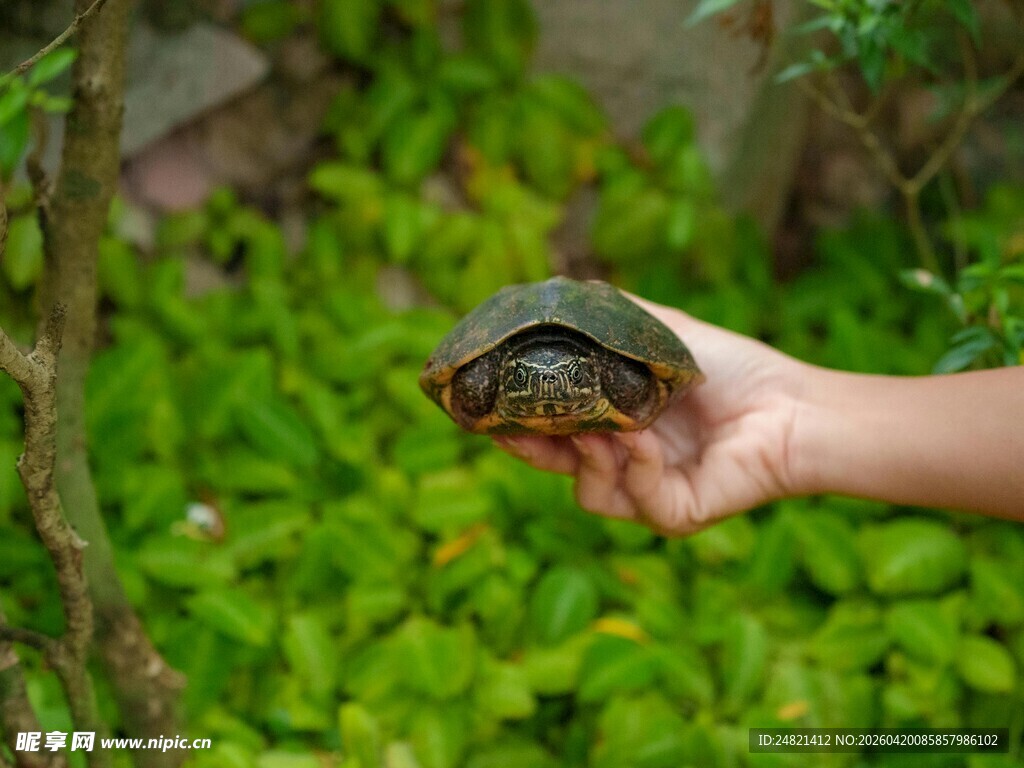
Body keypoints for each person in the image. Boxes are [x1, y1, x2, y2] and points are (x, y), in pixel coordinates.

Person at [493, 294, 1024, 535]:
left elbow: (639, 378)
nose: (548, 386)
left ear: (590, 370)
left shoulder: (618, 376)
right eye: (525, 377)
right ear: (503, 373)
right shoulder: (487, 374)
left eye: (567, 376)